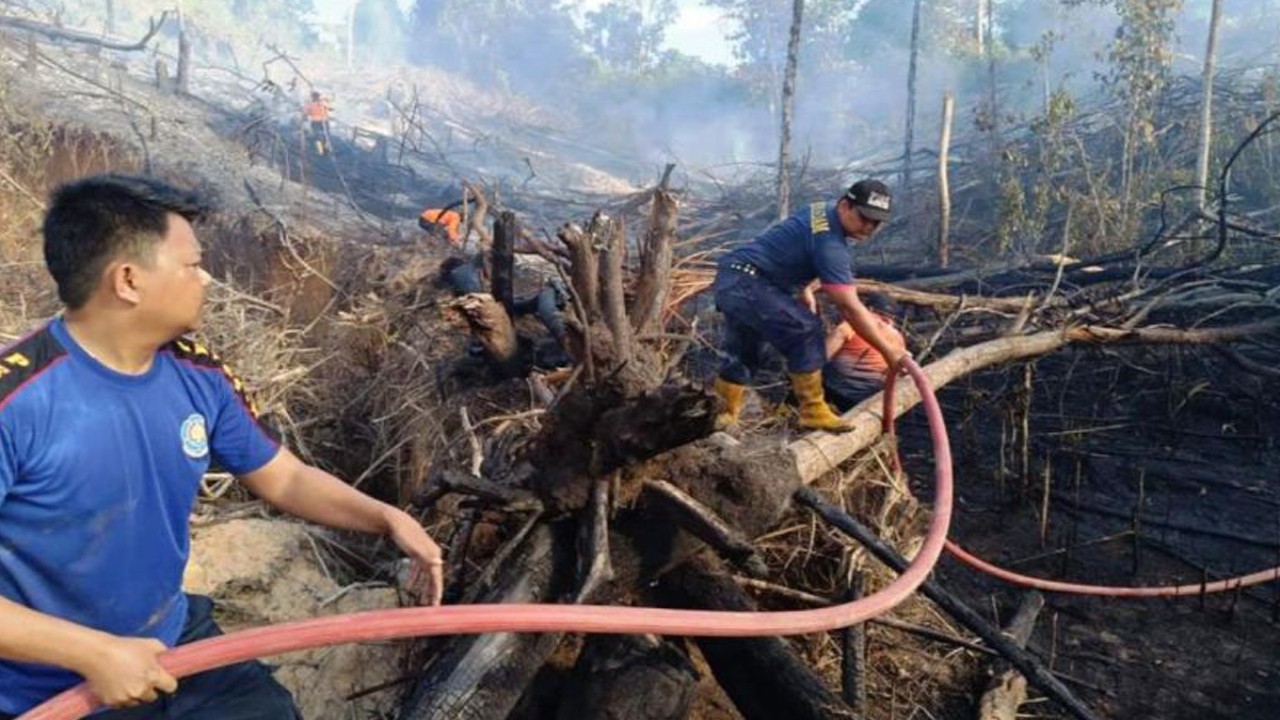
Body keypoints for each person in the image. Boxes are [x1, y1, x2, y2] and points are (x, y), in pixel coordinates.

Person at [0, 174, 445, 718]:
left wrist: (385, 518)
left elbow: (284, 477)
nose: (206, 278)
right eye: (191, 264)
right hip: (43, 688)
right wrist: (94, 653)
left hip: (173, 642)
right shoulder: (16, 402)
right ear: (129, 281)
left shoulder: (198, 372)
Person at [712, 179, 909, 431]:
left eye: (876, 222)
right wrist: (888, 352)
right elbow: (849, 308)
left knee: (745, 351)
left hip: (736, 276)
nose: (869, 227)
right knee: (806, 330)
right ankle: (812, 410)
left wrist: (803, 286)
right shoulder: (831, 245)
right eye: (864, 217)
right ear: (845, 205)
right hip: (748, 281)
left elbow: (790, 242)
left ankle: (722, 416)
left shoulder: (821, 210)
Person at [822, 295, 907, 412]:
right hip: (878, 397)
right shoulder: (898, 337)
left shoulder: (850, 326)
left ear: (869, 309)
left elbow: (822, 357)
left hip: (841, 394)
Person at [303, 90, 331, 155]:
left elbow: (305, 113)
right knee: (323, 136)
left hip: (318, 122)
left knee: (320, 136)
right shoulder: (321, 103)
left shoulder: (310, 104)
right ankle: (323, 150)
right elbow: (330, 108)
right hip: (321, 121)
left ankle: (322, 150)